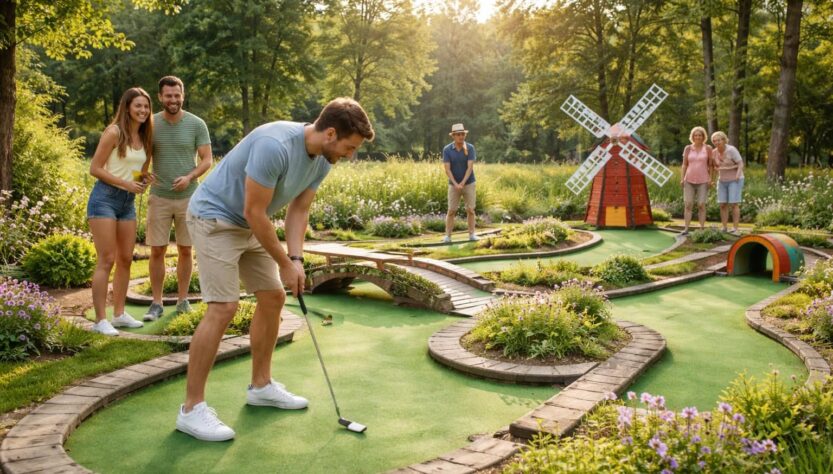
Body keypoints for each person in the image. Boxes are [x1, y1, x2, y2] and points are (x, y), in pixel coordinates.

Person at [175, 98, 374, 442]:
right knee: (223, 308)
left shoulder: (323, 161)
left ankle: (261, 386)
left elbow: (299, 211)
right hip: (214, 217)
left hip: (249, 224)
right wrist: (282, 261)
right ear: (330, 133)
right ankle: (191, 410)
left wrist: (295, 260)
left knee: (274, 297)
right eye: (350, 147)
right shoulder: (275, 145)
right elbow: (255, 211)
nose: (350, 155)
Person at [142, 76, 212, 322]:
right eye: (168, 95)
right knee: (157, 250)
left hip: (189, 197)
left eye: (177, 95)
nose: (173, 99)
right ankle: (157, 302)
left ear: (183, 95)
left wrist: (190, 176)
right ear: (160, 97)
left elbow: (206, 159)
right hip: (159, 197)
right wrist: (140, 175)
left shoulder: (196, 124)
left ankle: (183, 301)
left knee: (185, 249)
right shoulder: (149, 124)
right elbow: (138, 155)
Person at [87, 88, 154, 336]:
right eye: (138, 106)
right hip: (104, 199)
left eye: (146, 107)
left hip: (127, 203)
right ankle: (100, 320)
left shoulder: (145, 137)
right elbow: (95, 168)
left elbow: (135, 170)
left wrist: (143, 179)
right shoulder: (114, 132)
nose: (143, 111)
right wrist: (126, 183)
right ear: (127, 107)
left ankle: (119, 314)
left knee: (126, 258)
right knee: (106, 259)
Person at [442, 123, 477, 243]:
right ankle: (448, 236)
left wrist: (462, 183)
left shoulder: (470, 148)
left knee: (470, 209)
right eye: (458, 135)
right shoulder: (447, 150)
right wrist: (456, 184)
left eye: (463, 134)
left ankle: (472, 235)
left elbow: (470, 167)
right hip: (453, 185)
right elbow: (447, 169)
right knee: (451, 210)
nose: (461, 137)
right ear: (453, 136)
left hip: (469, 183)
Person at [680, 126, 715, 235]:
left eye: (700, 135)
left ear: (703, 136)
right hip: (689, 180)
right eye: (696, 135)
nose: (698, 137)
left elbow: (711, 165)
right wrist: (682, 179)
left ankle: (701, 228)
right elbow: (684, 164)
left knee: (701, 204)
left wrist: (711, 179)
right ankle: (686, 228)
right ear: (693, 136)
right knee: (688, 204)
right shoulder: (688, 148)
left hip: (703, 180)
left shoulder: (708, 148)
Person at [711, 131, 745, 234]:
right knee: (722, 204)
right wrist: (713, 177)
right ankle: (724, 227)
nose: (717, 142)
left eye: (719, 140)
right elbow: (715, 167)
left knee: (734, 204)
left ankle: (735, 228)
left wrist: (737, 175)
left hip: (735, 180)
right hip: (722, 180)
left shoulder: (731, 150)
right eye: (715, 140)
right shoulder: (714, 152)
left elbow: (740, 164)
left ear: (724, 140)